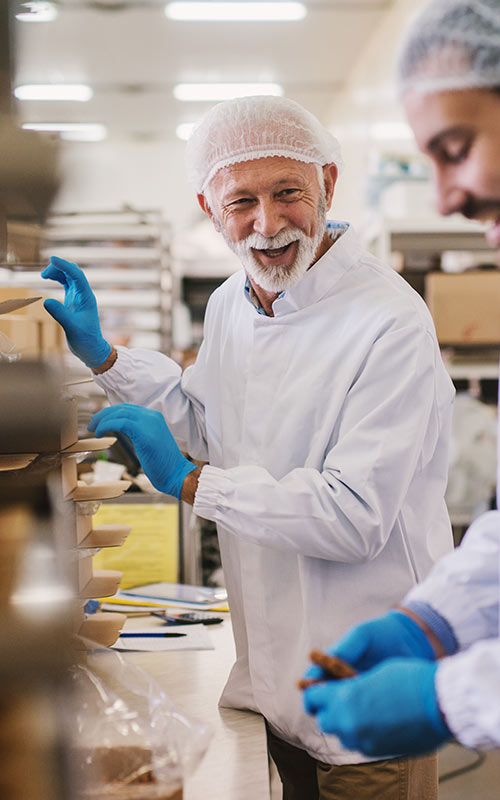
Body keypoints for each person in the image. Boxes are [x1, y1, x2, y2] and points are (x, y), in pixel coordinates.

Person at [42, 95, 455, 799]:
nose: (267, 225)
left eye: (288, 192)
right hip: (272, 686)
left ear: (327, 184)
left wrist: (196, 483)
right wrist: (106, 357)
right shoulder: (235, 302)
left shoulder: (389, 324)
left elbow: (353, 517)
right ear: (209, 206)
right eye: (242, 202)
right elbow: (208, 423)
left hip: (366, 696)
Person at [302, 0, 500, 760]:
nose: (447, 198)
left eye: (456, 148)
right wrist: (435, 621)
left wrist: (450, 693)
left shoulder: (388, 316)